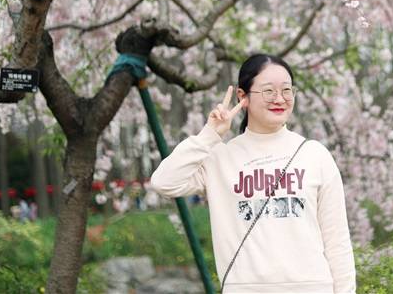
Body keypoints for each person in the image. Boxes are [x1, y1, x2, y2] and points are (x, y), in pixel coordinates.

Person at [150, 54, 356, 293]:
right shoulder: (220, 157)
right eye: (268, 91)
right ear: (243, 96)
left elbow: (337, 242)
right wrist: (209, 135)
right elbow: (164, 182)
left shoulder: (315, 155)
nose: (279, 99)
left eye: (287, 90)